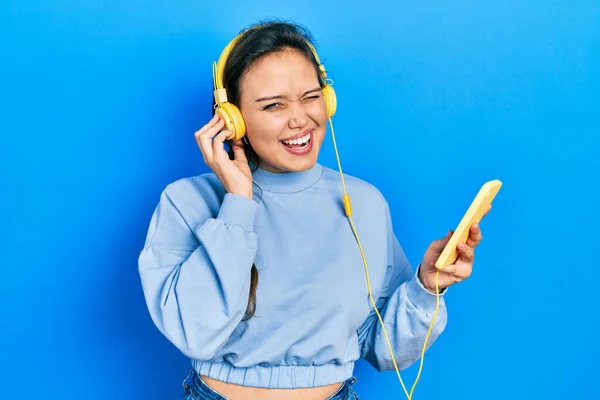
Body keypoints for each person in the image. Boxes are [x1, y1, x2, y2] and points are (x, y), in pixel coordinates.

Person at [138, 20, 486, 400]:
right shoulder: (186, 202)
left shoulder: (364, 203)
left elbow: (384, 348)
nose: (300, 119)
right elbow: (196, 333)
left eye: (310, 96)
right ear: (231, 119)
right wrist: (237, 204)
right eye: (274, 105)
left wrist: (426, 286)